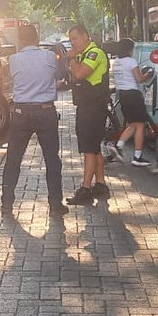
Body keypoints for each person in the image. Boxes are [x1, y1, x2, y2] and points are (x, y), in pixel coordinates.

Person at [1, 24, 68, 218]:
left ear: (20, 41)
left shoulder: (13, 59)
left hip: (21, 113)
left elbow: (10, 79)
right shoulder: (49, 57)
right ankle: (56, 204)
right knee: (52, 159)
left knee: (13, 159)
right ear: (37, 38)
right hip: (45, 112)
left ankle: (7, 205)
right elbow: (60, 75)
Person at [65, 24, 111, 205]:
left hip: (93, 108)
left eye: (75, 39)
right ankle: (100, 184)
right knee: (94, 147)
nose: (73, 43)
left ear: (85, 36)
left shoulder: (95, 53)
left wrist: (71, 59)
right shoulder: (85, 54)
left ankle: (85, 190)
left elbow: (80, 74)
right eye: (71, 40)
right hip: (88, 106)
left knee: (89, 149)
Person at [106, 38, 152, 167]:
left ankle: (119, 146)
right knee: (140, 126)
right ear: (129, 49)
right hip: (134, 95)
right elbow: (139, 78)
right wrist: (147, 74)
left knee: (132, 124)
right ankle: (137, 157)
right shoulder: (131, 61)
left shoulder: (116, 62)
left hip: (123, 95)